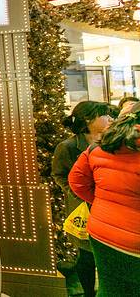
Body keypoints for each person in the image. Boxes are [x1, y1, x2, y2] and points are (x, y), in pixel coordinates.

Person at [69, 102, 140, 296]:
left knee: (109, 288)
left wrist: (103, 202)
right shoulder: (72, 145)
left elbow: (76, 181)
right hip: (133, 240)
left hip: (101, 232)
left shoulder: (100, 145)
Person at [52, 101, 112, 297]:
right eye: (104, 115)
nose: (110, 119)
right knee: (87, 255)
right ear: (88, 120)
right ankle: (88, 293)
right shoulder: (68, 146)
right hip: (82, 207)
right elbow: (59, 174)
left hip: (106, 207)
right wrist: (77, 193)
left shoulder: (110, 142)